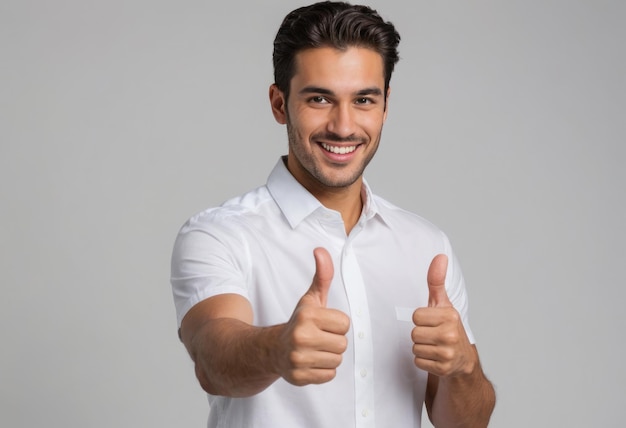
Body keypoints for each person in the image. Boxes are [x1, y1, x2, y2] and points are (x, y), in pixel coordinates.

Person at [170, 1, 496, 426]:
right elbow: (212, 362)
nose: (343, 126)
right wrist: (277, 348)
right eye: (320, 98)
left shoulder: (427, 247)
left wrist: (463, 368)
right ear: (279, 102)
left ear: (385, 105)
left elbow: (465, 423)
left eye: (363, 99)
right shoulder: (220, 235)